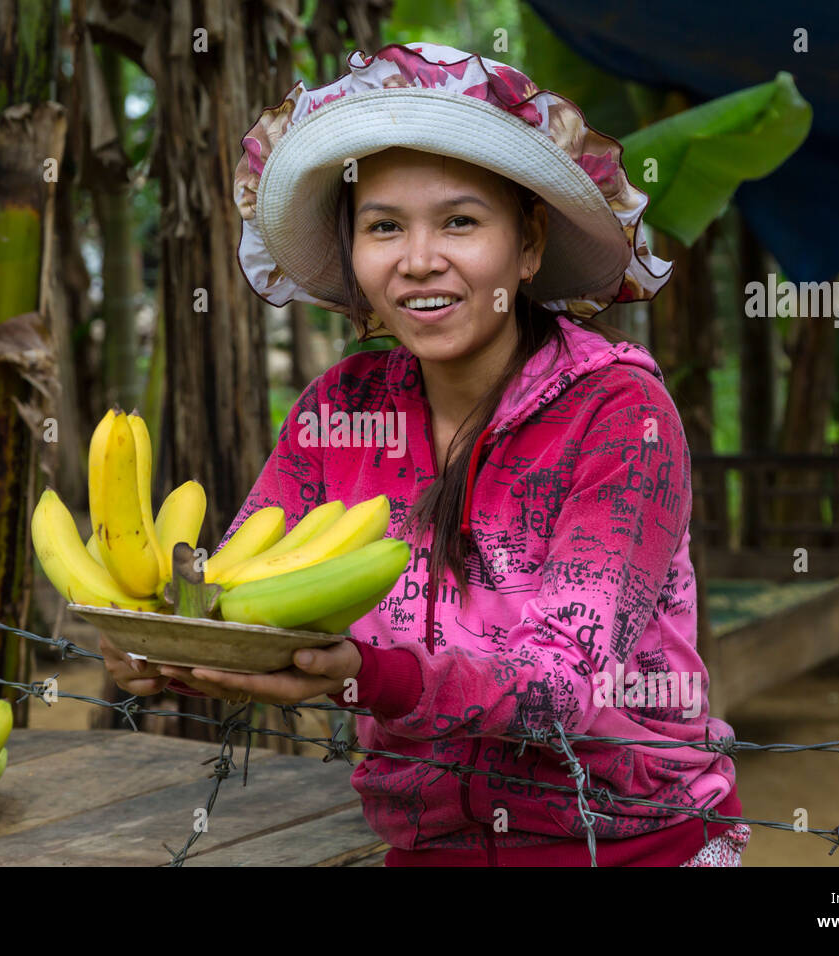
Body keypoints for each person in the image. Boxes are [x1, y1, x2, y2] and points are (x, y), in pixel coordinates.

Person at [100, 41, 750, 867]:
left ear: (529, 245)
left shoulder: (620, 413)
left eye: (460, 221)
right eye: (383, 227)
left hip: (628, 845)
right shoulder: (340, 413)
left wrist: (371, 674)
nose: (417, 260)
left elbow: (559, 689)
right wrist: (171, 645)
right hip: (429, 851)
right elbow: (247, 596)